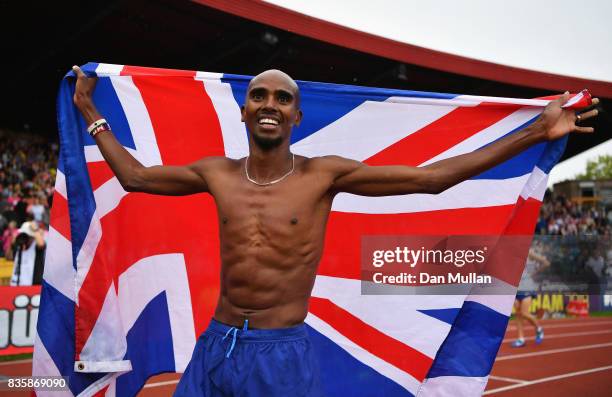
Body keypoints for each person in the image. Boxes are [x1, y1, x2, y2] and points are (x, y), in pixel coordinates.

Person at [71, 65, 599, 396]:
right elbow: (135, 176)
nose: (269, 105)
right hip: (216, 343)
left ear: (297, 115)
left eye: (281, 99)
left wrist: (536, 130)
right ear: (243, 110)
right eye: (259, 96)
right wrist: (91, 110)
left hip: (280, 353)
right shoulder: (217, 173)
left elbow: (435, 179)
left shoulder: (324, 174)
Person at [7, 221, 46, 286]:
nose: (24, 238)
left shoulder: (36, 247)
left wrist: (35, 230)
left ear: (33, 237)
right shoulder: (19, 246)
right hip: (16, 286)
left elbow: (41, 244)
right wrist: (12, 244)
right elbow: (8, 257)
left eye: (27, 235)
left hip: (32, 288)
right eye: (23, 235)